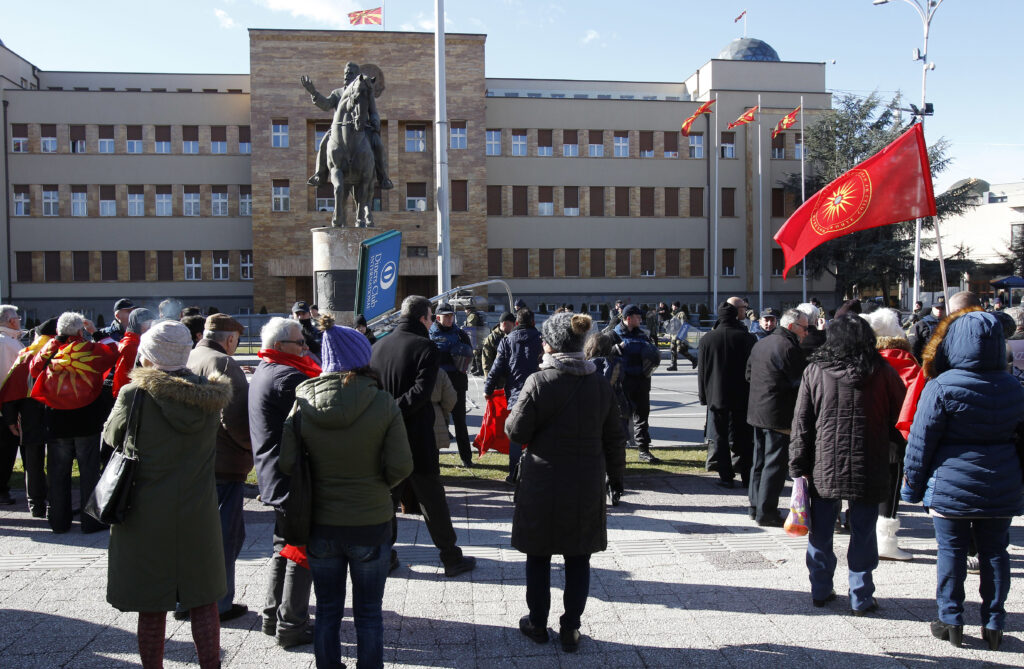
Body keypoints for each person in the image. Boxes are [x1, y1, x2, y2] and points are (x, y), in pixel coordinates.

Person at [280, 320, 413, 669]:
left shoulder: (302, 401)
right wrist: (377, 485)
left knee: (327, 610)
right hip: (370, 520)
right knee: (369, 613)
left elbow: (287, 461)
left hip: (321, 523)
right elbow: (401, 465)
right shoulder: (382, 402)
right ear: (362, 359)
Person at [103, 320, 232, 669]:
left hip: (146, 510)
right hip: (198, 510)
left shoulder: (135, 395)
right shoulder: (210, 395)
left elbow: (112, 437)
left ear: (149, 355)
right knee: (203, 599)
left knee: (152, 602)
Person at [902, 309, 1024, 650]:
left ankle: (951, 620)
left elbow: (921, 442)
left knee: (952, 553)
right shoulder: (1014, 385)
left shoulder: (941, 385)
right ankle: (994, 622)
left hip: (950, 482)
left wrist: (911, 486)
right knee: (996, 553)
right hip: (1002, 481)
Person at [507, 312, 626, 653]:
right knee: (578, 557)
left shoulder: (539, 381)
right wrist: (617, 478)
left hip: (543, 481)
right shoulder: (599, 382)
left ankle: (537, 623)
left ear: (550, 344)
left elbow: (517, 431)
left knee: (538, 554)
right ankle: (571, 628)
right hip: (586, 481)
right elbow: (614, 437)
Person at [789, 314, 906, 615]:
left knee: (821, 531)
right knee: (864, 532)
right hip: (870, 461)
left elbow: (802, 423)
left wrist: (798, 464)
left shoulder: (815, 371)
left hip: (824, 463)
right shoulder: (883, 372)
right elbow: (900, 417)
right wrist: (895, 451)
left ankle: (820, 588)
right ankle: (861, 595)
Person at [370, 295, 475, 577]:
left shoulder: (377, 346)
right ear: (423, 319)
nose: (431, 323)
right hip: (416, 434)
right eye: (430, 318)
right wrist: (395, 409)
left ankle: (384, 555)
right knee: (431, 498)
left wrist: (386, 412)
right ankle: (451, 557)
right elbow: (421, 393)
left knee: (386, 498)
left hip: (383, 433)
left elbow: (371, 391)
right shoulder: (425, 347)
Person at [249, 317, 321, 647]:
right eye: (299, 343)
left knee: (283, 546)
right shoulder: (288, 377)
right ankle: (291, 624)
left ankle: (271, 615)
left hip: (274, 474)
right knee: (299, 549)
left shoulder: (268, 369)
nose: (305, 348)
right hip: (291, 478)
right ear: (280, 347)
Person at [184, 314, 252, 623]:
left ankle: (186, 599)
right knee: (226, 537)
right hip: (223, 462)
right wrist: (254, 450)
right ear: (230, 340)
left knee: (194, 537)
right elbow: (235, 419)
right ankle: (220, 603)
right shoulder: (224, 364)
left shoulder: (191, 355)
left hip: (193, 462)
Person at [30, 312, 119, 534]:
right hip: (86, 418)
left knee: (58, 472)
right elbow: (115, 351)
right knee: (89, 471)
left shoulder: (52, 349)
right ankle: (91, 522)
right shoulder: (91, 349)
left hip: (56, 419)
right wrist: (96, 333)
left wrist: (57, 339)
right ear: (80, 331)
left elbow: (33, 367)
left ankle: (59, 522)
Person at [861, 308, 925, 561]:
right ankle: (886, 541)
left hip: (865, 430)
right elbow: (914, 398)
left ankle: (866, 538)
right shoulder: (903, 359)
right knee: (890, 488)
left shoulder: (864, 358)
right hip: (893, 435)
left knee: (867, 488)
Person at [745, 308, 808, 526]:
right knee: (774, 464)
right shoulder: (789, 347)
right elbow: (799, 383)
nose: (806, 333)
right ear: (792, 327)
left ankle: (755, 506)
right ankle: (766, 511)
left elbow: (748, 375)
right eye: (804, 328)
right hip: (777, 414)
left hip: (757, 411)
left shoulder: (761, 343)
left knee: (759, 462)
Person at [302, 63, 393, 190]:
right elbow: (326, 105)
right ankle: (320, 174)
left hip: (362, 128)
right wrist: (313, 92)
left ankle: (383, 177)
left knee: (377, 143)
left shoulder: (366, 92)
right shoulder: (337, 93)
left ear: (357, 76)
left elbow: (373, 112)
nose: (346, 76)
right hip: (339, 131)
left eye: (350, 73)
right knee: (324, 143)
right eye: (345, 73)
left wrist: (375, 122)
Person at [698, 301, 756, 487]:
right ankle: (747, 475)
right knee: (744, 436)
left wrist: (703, 397)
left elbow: (703, 371)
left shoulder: (707, 339)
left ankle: (726, 476)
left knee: (720, 437)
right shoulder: (747, 338)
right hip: (743, 394)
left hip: (716, 396)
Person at [484, 307, 543, 483]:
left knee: (516, 435)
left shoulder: (507, 341)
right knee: (539, 436)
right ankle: (538, 473)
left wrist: (488, 389)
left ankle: (514, 474)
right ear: (533, 321)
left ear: (516, 323)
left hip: (516, 395)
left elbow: (496, 369)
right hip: (539, 393)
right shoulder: (541, 340)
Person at [609, 304, 661, 463]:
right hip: (622, 383)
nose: (641, 319)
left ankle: (644, 450)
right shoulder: (613, 334)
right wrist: (615, 348)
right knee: (621, 418)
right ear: (628, 318)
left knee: (642, 417)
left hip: (642, 381)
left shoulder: (643, 335)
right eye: (638, 317)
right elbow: (601, 354)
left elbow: (653, 353)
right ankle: (620, 453)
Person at [429, 303, 474, 467]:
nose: (449, 318)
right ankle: (434, 460)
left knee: (461, 422)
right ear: (438, 317)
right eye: (446, 316)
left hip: (457, 384)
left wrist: (462, 356)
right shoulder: (429, 335)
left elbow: (470, 356)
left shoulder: (461, 335)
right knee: (437, 423)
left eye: (451, 315)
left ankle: (466, 458)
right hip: (437, 385)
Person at [0, 304, 24, 505]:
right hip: (7, 403)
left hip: (6, 402)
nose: (19, 320)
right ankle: (1, 489)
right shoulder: (7, 343)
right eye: (17, 317)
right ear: (10, 321)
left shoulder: (10, 341)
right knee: (6, 449)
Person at [482, 312, 515, 376]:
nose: (513, 327)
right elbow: (486, 362)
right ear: (505, 323)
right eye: (512, 325)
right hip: (498, 380)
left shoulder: (512, 336)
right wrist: (488, 380)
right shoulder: (491, 338)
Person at [464, 304, 487, 376]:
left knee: (477, 353)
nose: (465, 311)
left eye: (465, 310)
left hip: (476, 337)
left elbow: (471, 327)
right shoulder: (475, 314)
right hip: (477, 336)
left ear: (468, 310)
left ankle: (479, 370)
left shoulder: (472, 315)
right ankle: (475, 368)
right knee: (475, 352)